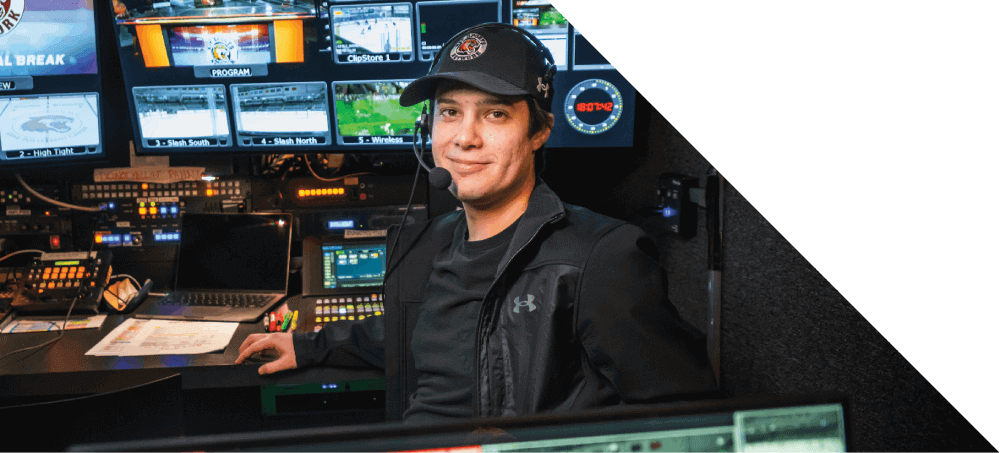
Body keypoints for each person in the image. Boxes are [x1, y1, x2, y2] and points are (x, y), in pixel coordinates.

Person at [236, 23, 717, 424]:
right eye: (449, 112)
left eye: (495, 114)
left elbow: (682, 418)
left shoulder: (601, 257)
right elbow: (415, 330)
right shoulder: (432, 240)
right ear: (429, 128)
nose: (464, 138)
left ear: (539, 132)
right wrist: (309, 345)